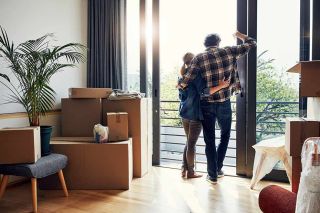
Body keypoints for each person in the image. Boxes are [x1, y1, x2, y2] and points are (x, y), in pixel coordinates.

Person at [179, 31, 257, 184]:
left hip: (206, 104)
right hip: (224, 102)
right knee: (225, 135)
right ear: (218, 42)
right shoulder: (229, 51)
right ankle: (218, 167)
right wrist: (240, 35)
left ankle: (212, 175)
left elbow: (185, 81)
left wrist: (182, 84)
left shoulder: (199, 58)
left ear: (205, 44)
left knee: (210, 140)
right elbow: (252, 43)